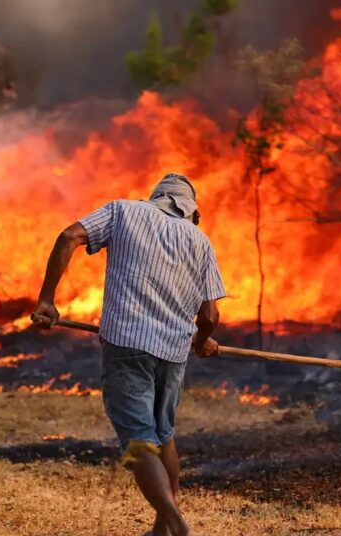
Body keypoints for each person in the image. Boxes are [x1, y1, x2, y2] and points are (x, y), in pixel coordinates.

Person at [31, 173, 226, 536]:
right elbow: (211, 316)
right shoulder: (200, 242)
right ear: (191, 211)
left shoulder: (123, 212)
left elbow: (69, 236)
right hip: (172, 353)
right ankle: (162, 530)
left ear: (155, 198)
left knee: (139, 440)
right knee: (163, 436)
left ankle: (177, 525)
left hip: (127, 345)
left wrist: (47, 300)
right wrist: (201, 340)